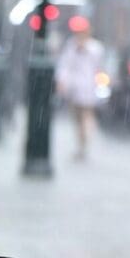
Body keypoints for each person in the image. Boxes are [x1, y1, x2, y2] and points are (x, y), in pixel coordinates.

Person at [54, 17, 104, 160]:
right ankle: (81, 143)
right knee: (77, 118)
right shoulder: (71, 46)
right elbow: (64, 66)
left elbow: (99, 68)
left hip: (89, 87)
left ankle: (85, 141)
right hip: (74, 88)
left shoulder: (95, 48)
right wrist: (62, 82)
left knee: (87, 114)